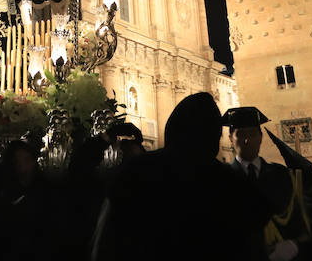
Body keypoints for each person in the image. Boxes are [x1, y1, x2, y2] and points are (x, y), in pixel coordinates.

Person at [93, 93, 271, 261]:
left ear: (172, 128)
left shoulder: (136, 173)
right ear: (217, 137)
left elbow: (104, 243)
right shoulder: (236, 188)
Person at [222, 106, 301, 261]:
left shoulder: (281, 175)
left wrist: (294, 244)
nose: (247, 140)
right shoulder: (222, 179)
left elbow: (296, 219)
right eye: (241, 134)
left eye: (252, 134)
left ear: (261, 137)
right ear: (231, 139)